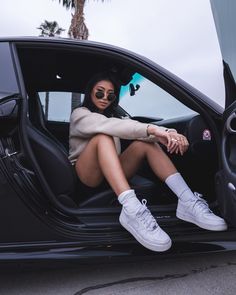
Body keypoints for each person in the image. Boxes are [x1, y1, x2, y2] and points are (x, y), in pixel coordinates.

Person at [69, 72, 227, 252]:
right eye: (99, 92)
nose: (105, 97)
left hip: (110, 173)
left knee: (145, 144)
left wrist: (168, 134)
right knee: (102, 138)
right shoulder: (80, 114)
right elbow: (113, 126)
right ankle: (132, 209)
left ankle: (187, 201)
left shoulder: (114, 116)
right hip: (87, 176)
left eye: (110, 94)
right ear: (90, 92)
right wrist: (154, 129)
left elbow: (134, 127)